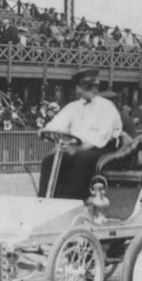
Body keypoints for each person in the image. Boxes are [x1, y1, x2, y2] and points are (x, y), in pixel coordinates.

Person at [38, 68, 126, 199]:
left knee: (82, 160)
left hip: (103, 149)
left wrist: (77, 148)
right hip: (77, 148)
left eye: (95, 86)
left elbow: (100, 137)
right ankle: (45, 201)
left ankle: (75, 202)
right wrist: (45, 131)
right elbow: (57, 124)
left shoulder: (107, 107)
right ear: (78, 88)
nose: (94, 90)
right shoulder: (72, 107)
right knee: (49, 161)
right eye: (89, 87)